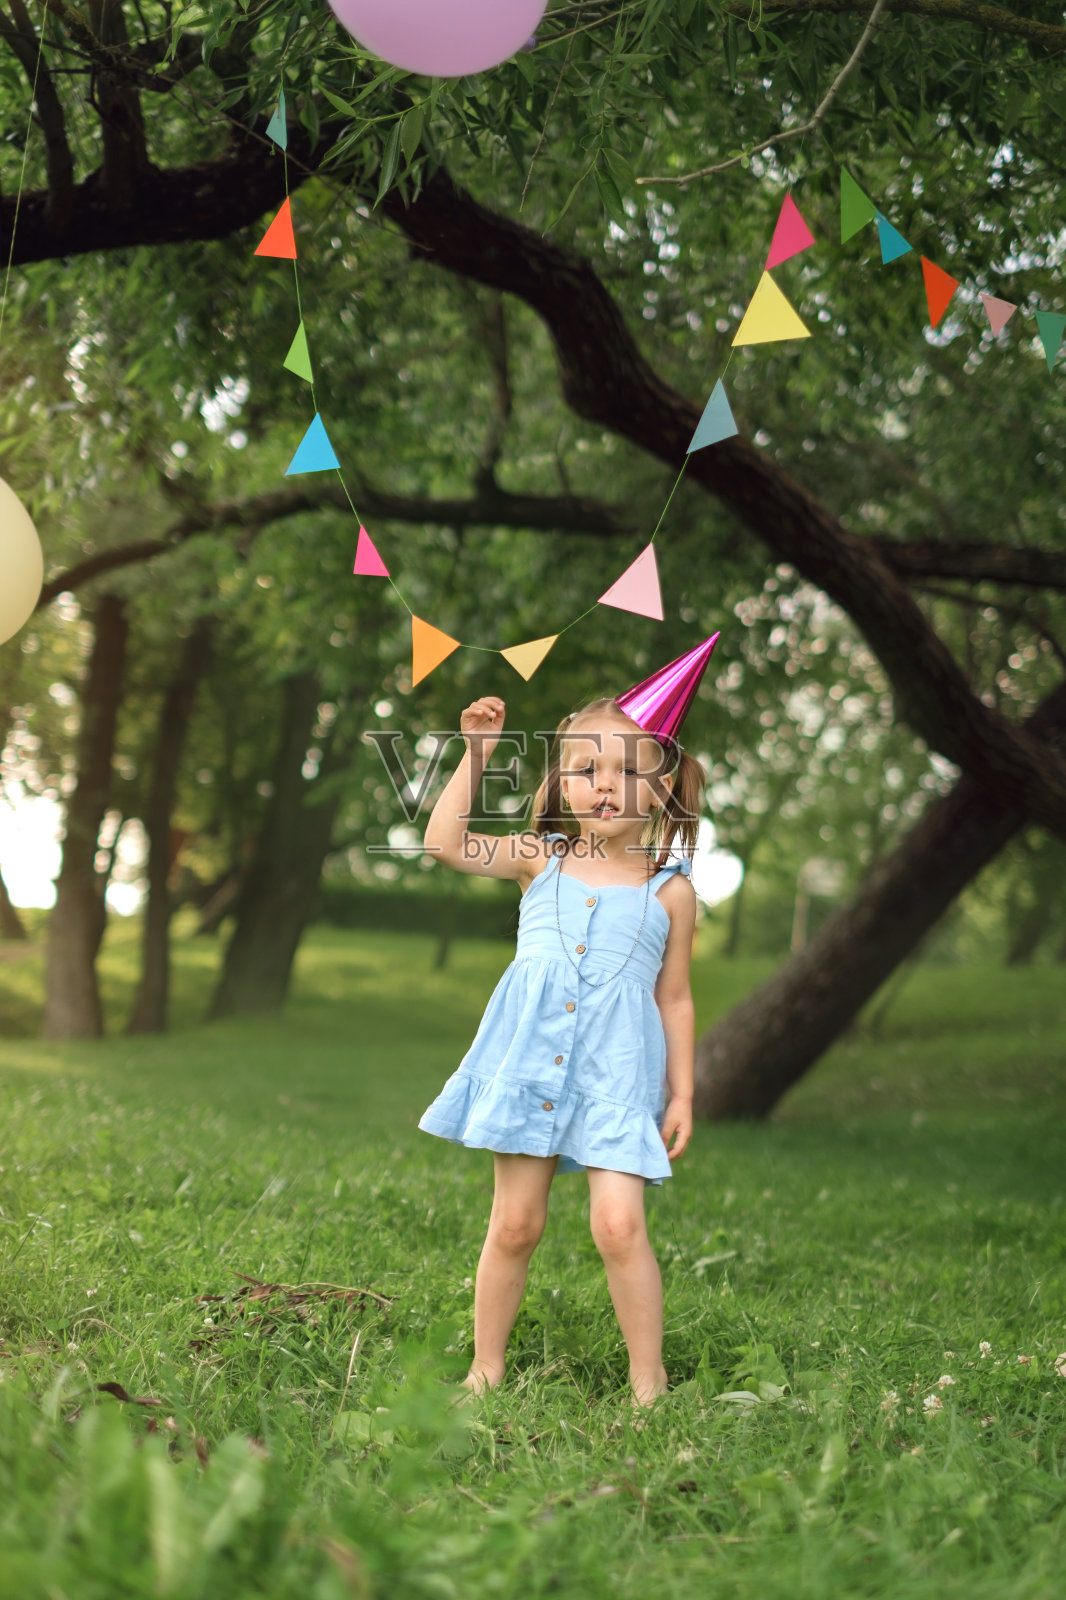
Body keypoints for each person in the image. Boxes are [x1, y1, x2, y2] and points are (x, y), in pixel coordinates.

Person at [419, 684, 708, 1407]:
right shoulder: (538, 859)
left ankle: (650, 1383)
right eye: (585, 770)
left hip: (615, 1076)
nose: (604, 785)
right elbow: (443, 843)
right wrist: (479, 753)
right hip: (528, 1066)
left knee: (618, 1224)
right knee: (515, 1224)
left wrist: (682, 1093)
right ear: (560, 784)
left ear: (660, 787)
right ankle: (486, 1368)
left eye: (625, 770)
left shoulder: (669, 891)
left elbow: (673, 996)